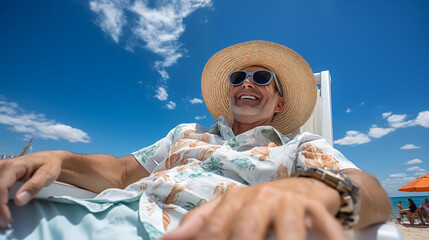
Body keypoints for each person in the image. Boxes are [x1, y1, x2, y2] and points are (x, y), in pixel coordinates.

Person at [0, 41, 391, 239]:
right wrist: (59, 159)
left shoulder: (298, 147)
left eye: (261, 78)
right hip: (84, 216)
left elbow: (373, 193)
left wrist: (311, 192)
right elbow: (121, 173)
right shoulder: (185, 133)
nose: (247, 84)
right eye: (238, 78)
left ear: (279, 103)